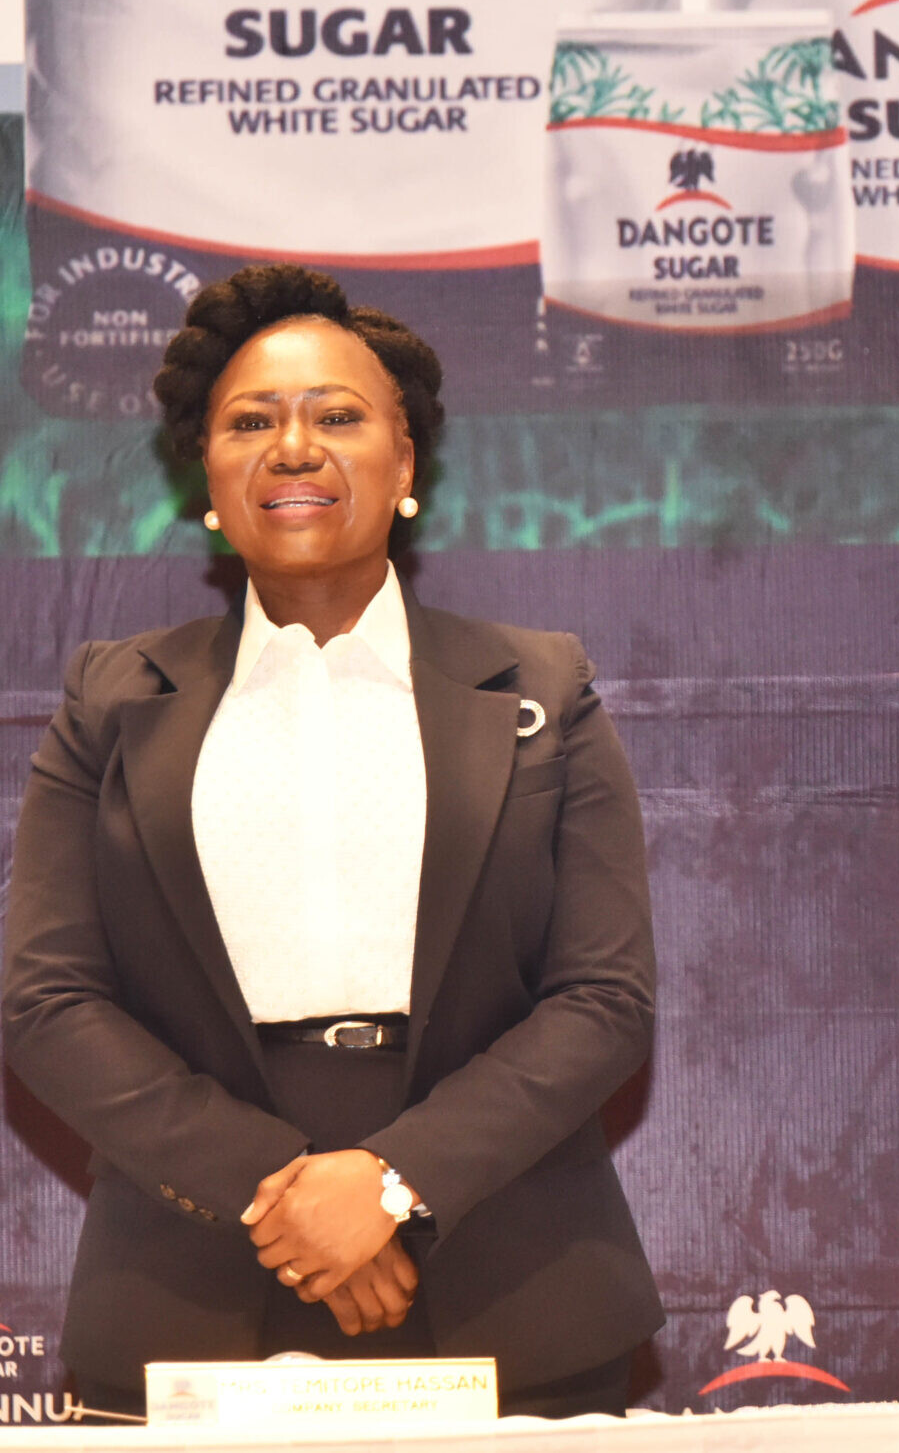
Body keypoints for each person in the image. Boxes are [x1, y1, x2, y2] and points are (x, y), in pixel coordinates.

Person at [3, 264, 663, 1416]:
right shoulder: (112, 699)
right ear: (205, 474)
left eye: (338, 416)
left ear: (406, 465)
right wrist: (283, 1192)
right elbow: (45, 998)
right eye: (250, 421)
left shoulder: (543, 686)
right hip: (191, 1282)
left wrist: (395, 1181)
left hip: (514, 1277)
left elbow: (603, 997)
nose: (293, 445)